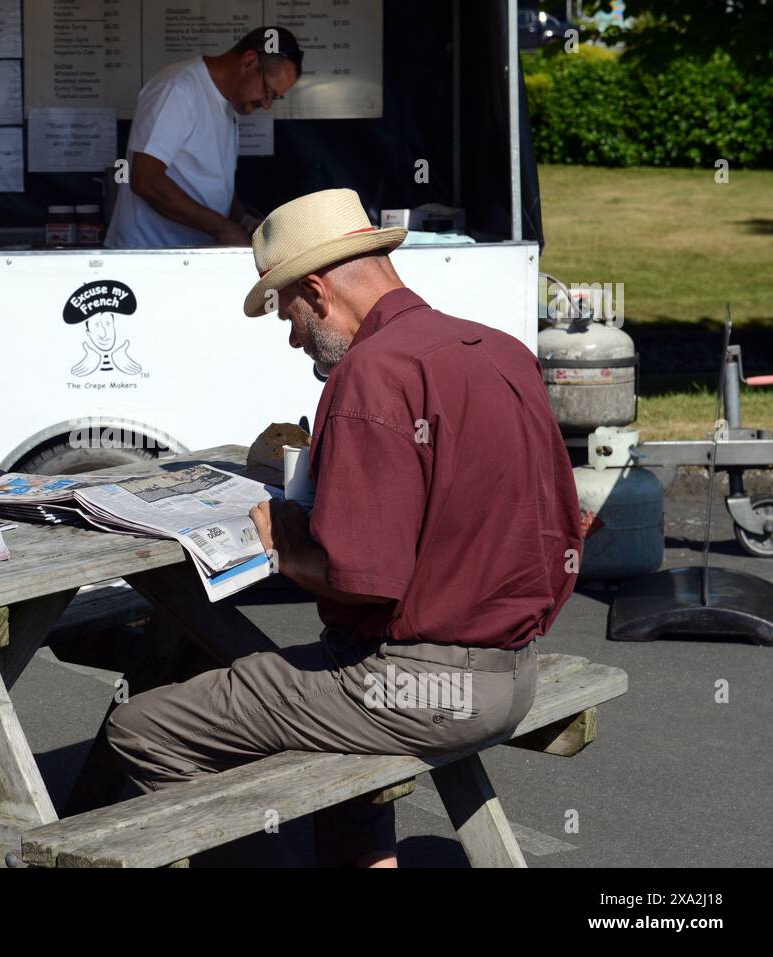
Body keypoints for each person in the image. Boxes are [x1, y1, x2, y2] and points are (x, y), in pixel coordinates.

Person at [105, 188, 583, 867]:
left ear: (319, 291)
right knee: (315, 698)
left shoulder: (372, 373)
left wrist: (284, 548)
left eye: (290, 313)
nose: (293, 335)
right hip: (515, 672)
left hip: (419, 688)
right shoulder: (499, 350)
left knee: (144, 726)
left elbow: (363, 580)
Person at [105, 27, 303, 250]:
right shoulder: (178, 88)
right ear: (248, 61)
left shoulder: (228, 105)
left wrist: (243, 221)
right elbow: (145, 180)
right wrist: (222, 228)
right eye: (268, 92)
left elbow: (216, 184)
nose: (267, 105)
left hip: (191, 257)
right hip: (148, 255)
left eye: (275, 98)